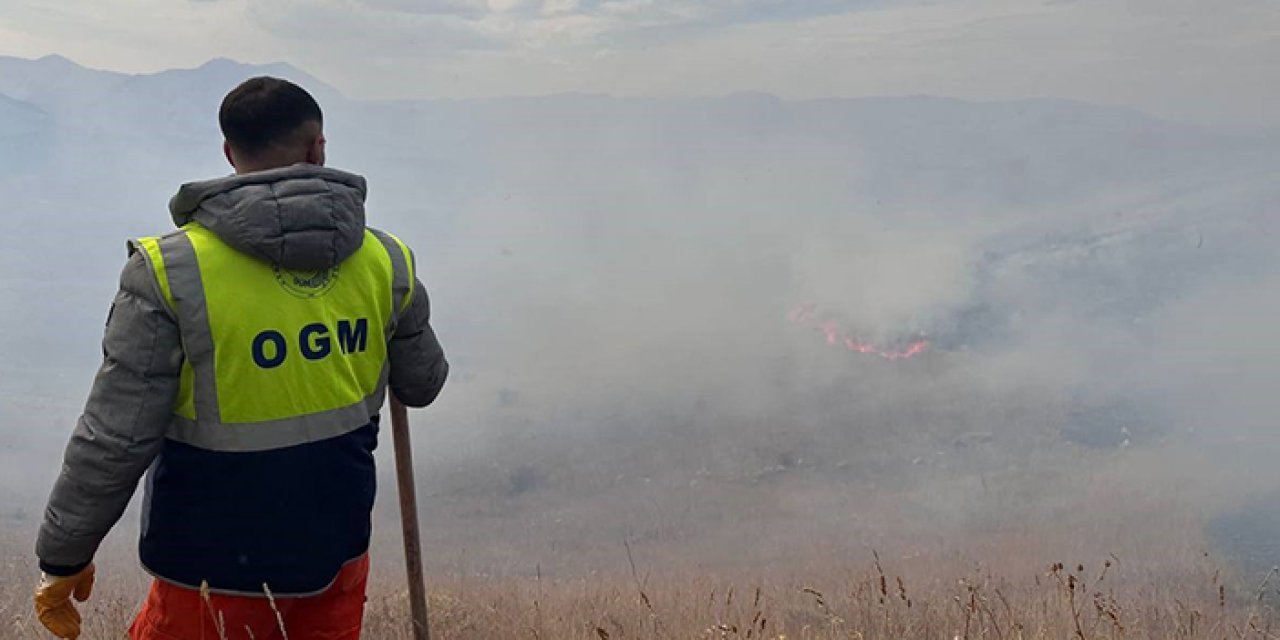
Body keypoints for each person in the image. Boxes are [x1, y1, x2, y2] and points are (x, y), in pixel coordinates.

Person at [33, 76, 449, 640]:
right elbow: (422, 384)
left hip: (209, 572)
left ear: (229, 153)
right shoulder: (387, 260)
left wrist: (63, 556)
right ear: (318, 147)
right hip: (338, 555)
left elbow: (115, 436)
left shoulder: (170, 272)